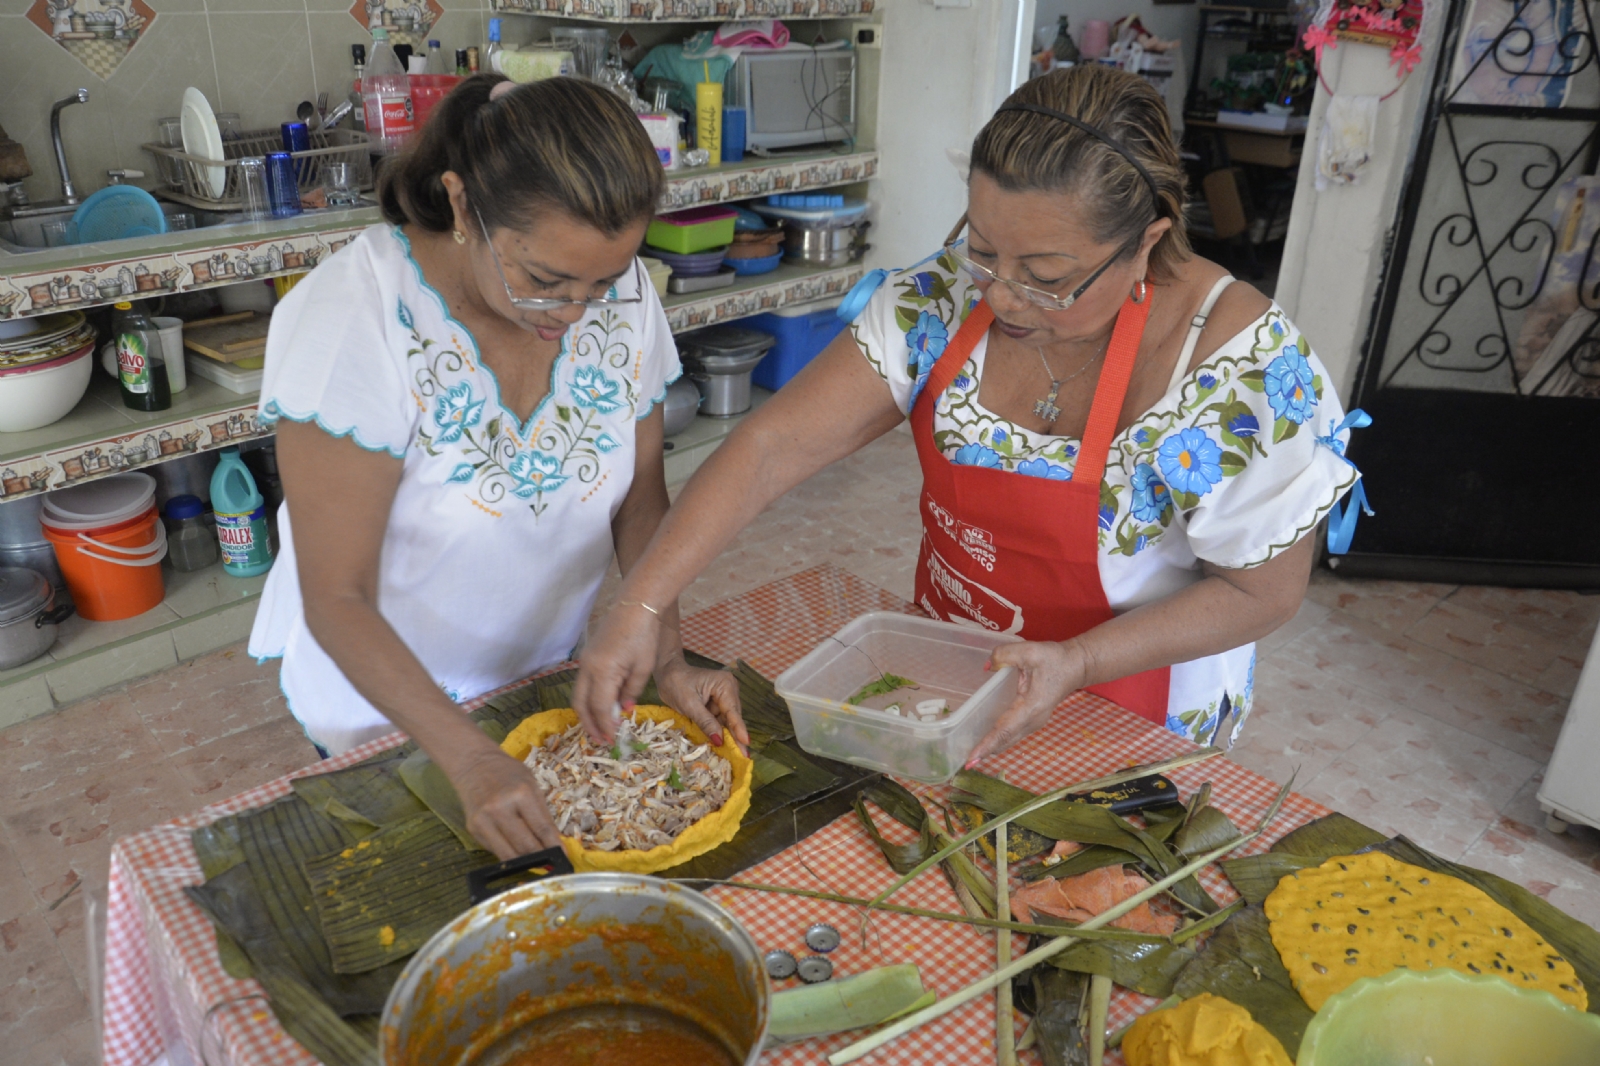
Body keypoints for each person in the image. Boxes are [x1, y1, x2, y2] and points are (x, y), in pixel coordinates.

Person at [574, 65, 1366, 763]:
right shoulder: (944, 296)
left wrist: (1077, 662)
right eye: (983, 248)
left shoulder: (1241, 369)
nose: (998, 295)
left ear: (1147, 239)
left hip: (1139, 704)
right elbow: (771, 447)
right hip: (958, 671)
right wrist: (639, 606)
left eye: (1046, 274)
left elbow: (1262, 593)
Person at [248, 74, 743, 860]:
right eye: (544, 281)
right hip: (387, 704)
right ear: (461, 203)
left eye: (602, 283)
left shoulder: (618, 296)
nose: (574, 314)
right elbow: (335, 597)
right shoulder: (357, 315)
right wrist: (470, 756)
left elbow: (639, 503)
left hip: (533, 677)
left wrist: (670, 651)